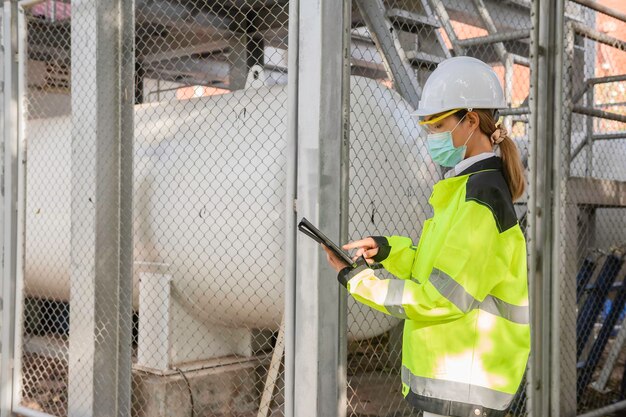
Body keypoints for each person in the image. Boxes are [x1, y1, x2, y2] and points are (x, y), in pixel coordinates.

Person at [323, 56, 530, 417]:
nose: (431, 135)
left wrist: (360, 282)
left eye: (437, 125)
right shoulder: (466, 188)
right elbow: (438, 266)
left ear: (469, 121)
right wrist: (388, 252)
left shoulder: (480, 197)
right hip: (457, 380)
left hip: (465, 382)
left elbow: (441, 297)